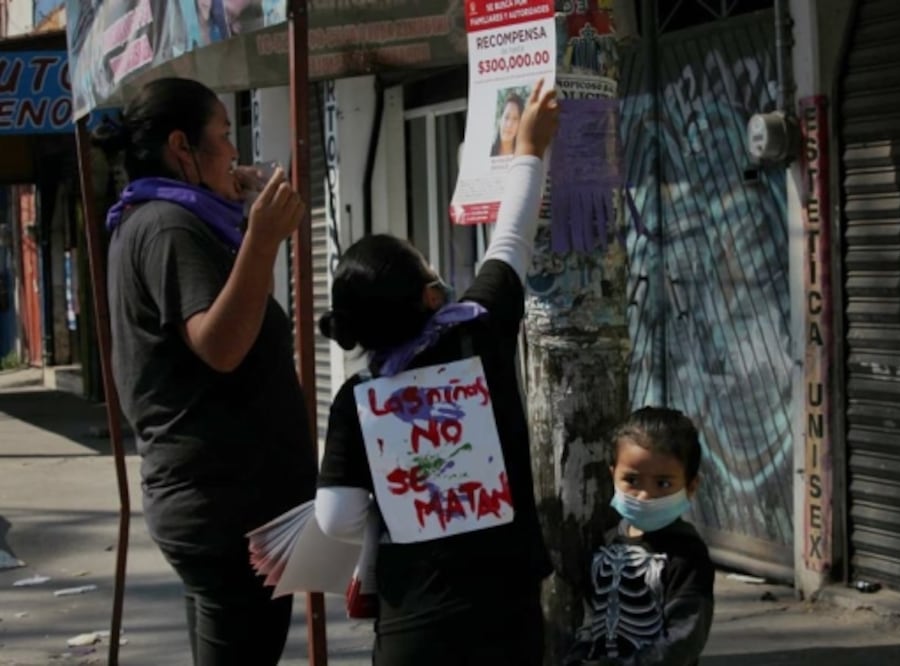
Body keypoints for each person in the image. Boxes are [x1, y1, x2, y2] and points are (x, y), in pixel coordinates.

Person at [314, 78, 559, 666]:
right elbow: (511, 239)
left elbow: (336, 517)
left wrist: (403, 489)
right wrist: (528, 146)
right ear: (430, 297)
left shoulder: (359, 399)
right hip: (507, 613)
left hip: (414, 625)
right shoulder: (476, 334)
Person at [92, 77, 317, 665]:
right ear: (181, 146)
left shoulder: (180, 219)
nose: (235, 152)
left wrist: (249, 225)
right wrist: (263, 239)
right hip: (223, 509)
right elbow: (219, 345)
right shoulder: (169, 225)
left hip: (234, 502)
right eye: (223, 135)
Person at [565, 407, 715, 666]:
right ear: (613, 475)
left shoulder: (687, 554)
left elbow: (684, 637)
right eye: (632, 480)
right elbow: (591, 619)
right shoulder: (606, 544)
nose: (644, 495)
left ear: (691, 486)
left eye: (663, 483)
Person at [490, 90, 524, 157]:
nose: (509, 125)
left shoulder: (522, 155)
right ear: (500, 120)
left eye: (515, 119)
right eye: (506, 117)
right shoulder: (490, 151)